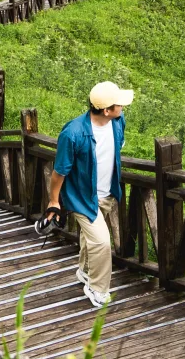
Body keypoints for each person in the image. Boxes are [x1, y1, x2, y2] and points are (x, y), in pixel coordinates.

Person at [47, 80, 134, 308]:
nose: (122, 107)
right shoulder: (73, 133)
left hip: (107, 194)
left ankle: (85, 271)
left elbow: (117, 146)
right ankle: (97, 289)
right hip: (82, 198)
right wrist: (54, 201)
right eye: (119, 104)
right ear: (106, 110)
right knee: (102, 242)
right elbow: (59, 172)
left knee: (91, 238)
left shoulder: (117, 122)